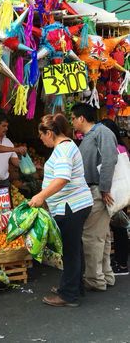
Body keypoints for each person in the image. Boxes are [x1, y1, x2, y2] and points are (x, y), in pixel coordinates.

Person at [29, 114, 93, 307]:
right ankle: (75, 287)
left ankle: (68, 295)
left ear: (50, 133)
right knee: (75, 248)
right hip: (75, 204)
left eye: (42, 135)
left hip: (71, 206)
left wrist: (41, 196)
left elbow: (62, 178)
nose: (41, 139)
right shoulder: (67, 146)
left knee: (70, 251)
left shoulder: (63, 150)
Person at [71, 103, 118, 291]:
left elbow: (110, 159)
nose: (72, 122)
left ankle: (94, 280)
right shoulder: (91, 135)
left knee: (91, 237)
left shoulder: (102, 133)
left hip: (98, 191)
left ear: (81, 118)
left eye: (73, 118)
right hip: (95, 190)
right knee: (102, 237)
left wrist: (105, 188)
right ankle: (105, 276)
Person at [100, 118, 129, 276]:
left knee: (118, 227)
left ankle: (122, 264)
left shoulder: (111, 148)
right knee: (119, 227)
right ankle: (120, 260)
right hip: (122, 191)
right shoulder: (122, 147)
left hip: (113, 192)